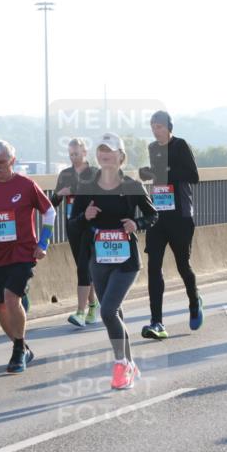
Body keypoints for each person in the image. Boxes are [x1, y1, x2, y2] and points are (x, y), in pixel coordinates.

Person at [69, 133, 158, 389]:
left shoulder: (132, 185)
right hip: (99, 259)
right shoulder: (87, 186)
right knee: (114, 312)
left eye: (110, 150)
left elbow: (153, 216)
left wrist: (137, 223)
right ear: (97, 155)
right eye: (101, 150)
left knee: (107, 311)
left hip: (126, 261)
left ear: (121, 156)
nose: (105, 154)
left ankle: (120, 365)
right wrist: (85, 216)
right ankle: (129, 362)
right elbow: (73, 225)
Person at [0, 140, 57, 372]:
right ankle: (23, 346)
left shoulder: (26, 185)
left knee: (10, 298)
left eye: (2, 162)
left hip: (23, 252)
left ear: (12, 161)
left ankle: (18, 350)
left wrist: (43, 242)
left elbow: (49, 212)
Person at [138, 110, 203, 339]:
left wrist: (163, 171)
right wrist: (147, 173)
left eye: (159, 127)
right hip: (158, 215)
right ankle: (157, 322)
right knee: (154, 267)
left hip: (181, 216)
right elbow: (156, 176)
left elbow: (193, 176)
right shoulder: (153, 148)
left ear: (169, 127)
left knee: (183, 265)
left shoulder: (181, 145)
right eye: (153, 127)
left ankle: (194, 301)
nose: (156, 131)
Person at [51, 138, 100, 327]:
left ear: (85, 153)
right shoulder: (65, 174)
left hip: (91, 225)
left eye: (77, 154)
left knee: (85, 266)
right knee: (82, 267)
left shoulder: (95, 173)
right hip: (73, 226)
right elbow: (53, 203)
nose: (74, 157)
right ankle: (93, 304)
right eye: (71, 154)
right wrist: (59, 194)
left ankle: (83, 310)